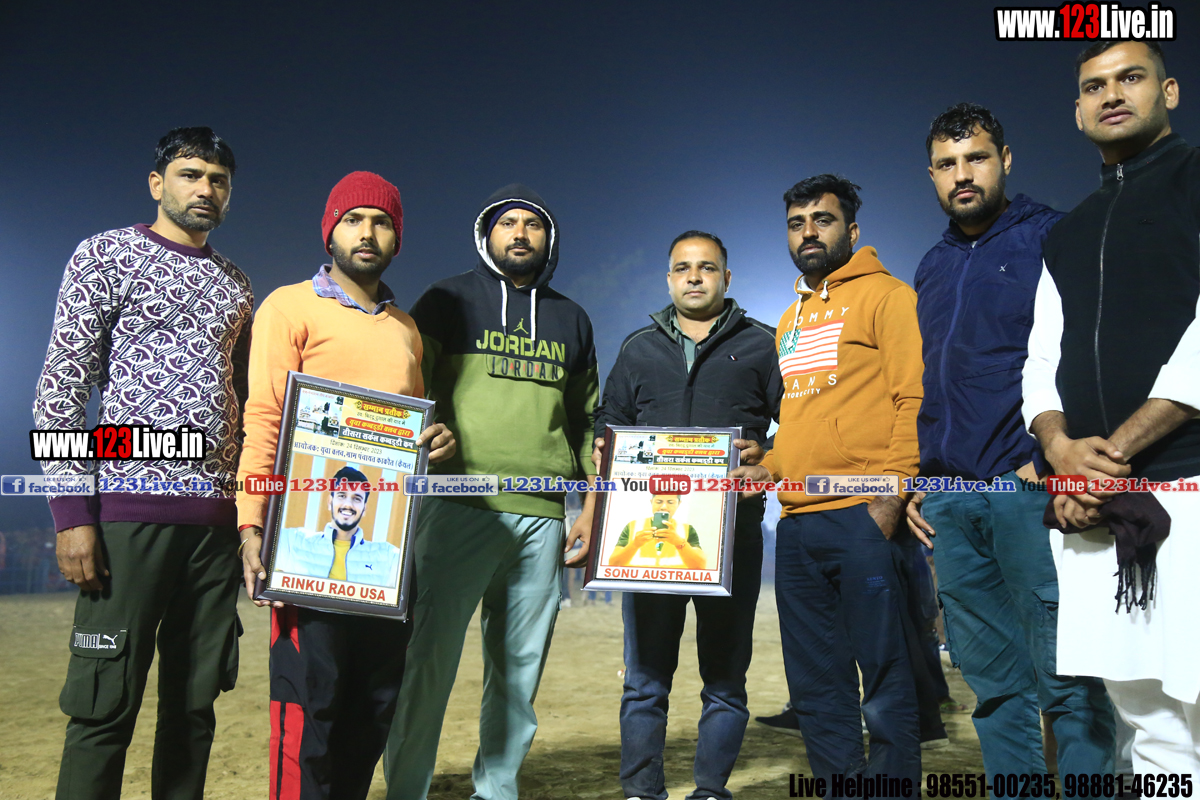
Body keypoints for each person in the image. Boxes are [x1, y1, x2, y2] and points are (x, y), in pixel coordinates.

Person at [34, 127, 251, 800]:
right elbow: (61, 390)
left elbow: (247, 404)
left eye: (218, 180)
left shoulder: (237, 285)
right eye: (191, 174)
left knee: (194, 707)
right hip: (129, 515)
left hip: (214, 526)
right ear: (157, 183)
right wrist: (73, 515)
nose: (205, 189)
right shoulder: (105, 255)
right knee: (104, 702)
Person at [905, 102, 1116, 776]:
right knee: (994, 691)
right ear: (932, 175)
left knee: (1069, 683)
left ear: (1005, 160)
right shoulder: (932, 266)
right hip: (951, 502)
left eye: (976, 158)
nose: (962, 175)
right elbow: (929, 382)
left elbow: (1091, 353)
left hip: (1027, 492)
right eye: (946, 164)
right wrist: (923, 480)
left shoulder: (1055, 235)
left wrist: (1049, 458)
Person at [236, 171, 455, 800]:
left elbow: (411, 433)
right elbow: (264, 418)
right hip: (303, 544)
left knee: (373, 709)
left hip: (384, 556)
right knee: (311, 707)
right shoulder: (288, 306)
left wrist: (435, 441)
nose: (367, 232)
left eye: (381, 221)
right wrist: (251, 524)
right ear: (329, 231)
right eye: (353, 218)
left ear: (397, 238)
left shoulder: (407, 329)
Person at [385, 184, 598, 800]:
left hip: (543, 514)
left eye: (533, 224)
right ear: (488, 234)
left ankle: (497, 790)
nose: (521, 233)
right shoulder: (446, 298)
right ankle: (406, 790)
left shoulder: (572, 318)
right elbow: (406, 388)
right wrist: (424, 436)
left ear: (548, 238)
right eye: (508, 223)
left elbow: (587, 421)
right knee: (427, 663)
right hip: (458, 504)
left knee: (518, 674)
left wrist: (590, 507)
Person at [1023, 39, 1200, 775]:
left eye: (1131, 77)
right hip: (1099, 508)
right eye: (1095, 86)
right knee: (1148, 721)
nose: (1113, 94)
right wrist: (1060, 451)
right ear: (1077, 111)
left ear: (1170, 91)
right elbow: (1041, 360)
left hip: (1188, 484)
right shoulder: (1066, 232)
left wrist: (1109, 456)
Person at [732, 175, 923, 790]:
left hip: (864, 515)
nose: (808, 232)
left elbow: (913, 399)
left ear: (852, 230)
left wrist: (891, 496)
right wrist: (770, 465)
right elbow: (800, 419)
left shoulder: (889, 296)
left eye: (823, 219)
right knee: (816, 685)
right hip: (796, 525)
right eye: (797, 223)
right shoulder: (789, 318)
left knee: (886, 681)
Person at [594, 229, 779, 800]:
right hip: (650, 543)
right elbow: (607, 423)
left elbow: (798, 422)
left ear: (727, 277)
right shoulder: (637, 348)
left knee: (724, 679)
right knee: (645, 681)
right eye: (682, 268)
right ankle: (641, 790)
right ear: (669, 278)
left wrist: (770, 456)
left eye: (707, 267)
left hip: (732, 538)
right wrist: (603, 452)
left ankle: (709, 790)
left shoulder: (763, 344)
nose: (694, 277)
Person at [272, 466, 401, 587]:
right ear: (330, 502)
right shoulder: (293, 541)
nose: (348, 504)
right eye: (342, 496)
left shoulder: (388, 557)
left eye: (357, 498)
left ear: (364, 509)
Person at [607, 492, 705, 569]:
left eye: (670, 502)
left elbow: (700, 566)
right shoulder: (632, 526)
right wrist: (634, 545)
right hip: (638, 586)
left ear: (678, 504)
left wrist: (680, 543)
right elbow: (613, 564)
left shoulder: (687, 529)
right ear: (652, 502)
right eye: (659, 502)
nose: (663, 507)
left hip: (674, 586)